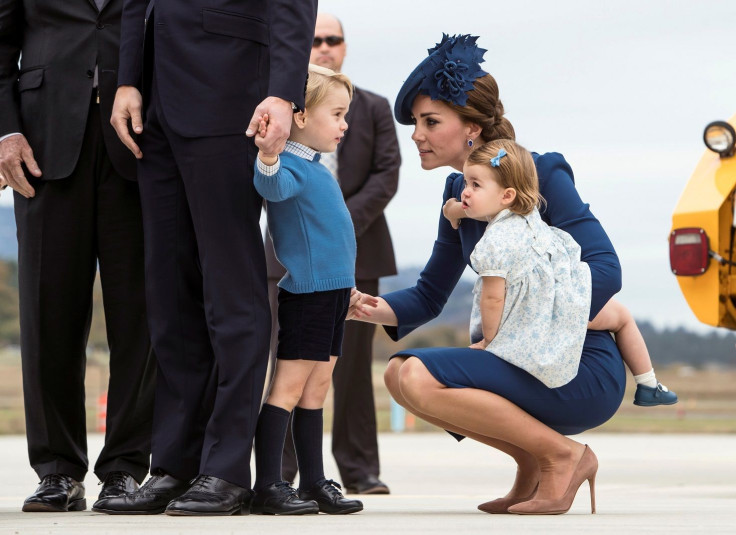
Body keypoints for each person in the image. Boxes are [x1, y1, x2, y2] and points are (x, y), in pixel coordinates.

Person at [349, 33, 627, 515]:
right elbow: (431, 293)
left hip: (575, 367)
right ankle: (533, 462)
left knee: (415, 374)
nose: (416, 134)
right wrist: (371, 308)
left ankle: (563, 456)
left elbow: (606, 267)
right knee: (399, 377)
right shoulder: (459, 196)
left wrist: (535, 324)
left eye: (430, 121)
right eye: (416, 122)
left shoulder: (536, 175)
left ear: (472, 127)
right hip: (519, 360)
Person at [94, 0, 317, 516]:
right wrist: (128, 79)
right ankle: (174, 462)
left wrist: (283, 92)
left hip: (230, 92)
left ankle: (227, 468)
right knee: (168, 292)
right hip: (155, 103)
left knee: (230, 290)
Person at [0, 0, 155, 513]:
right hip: (41, 144)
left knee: (140, 316)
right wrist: (4, 130)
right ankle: (57, 470)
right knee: (47, 312)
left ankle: (125, 469)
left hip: (138, 143)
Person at [265, 12, 400, 495]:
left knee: (345, 374)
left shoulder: (373, 107)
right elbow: (272, 179)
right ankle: (279, 475)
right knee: (289, 373)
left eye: (333, 39)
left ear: (344, 45)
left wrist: (338, 216)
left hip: (353, 262)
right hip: (295, 266)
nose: (323, 45)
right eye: (314, 38)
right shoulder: (286, 119)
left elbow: (387, 175)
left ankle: (356, 469)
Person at [445, 139, 678, 403]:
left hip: (526, 312)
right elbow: (475, 209)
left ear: (506, 196)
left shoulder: (494, 241)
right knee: (622, 316)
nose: (465, 192)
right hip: (556, 300)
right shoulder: (526, 213)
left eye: (475, 185)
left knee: (617, 317)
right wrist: (454, 209)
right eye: (466, 183)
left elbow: (493, 298)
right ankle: (648, 384)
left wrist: (489, 341)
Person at [250, 64, 366, 516]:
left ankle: (315, 482)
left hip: (334, 294)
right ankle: (269, 484)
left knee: (318, 389)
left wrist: (349, 290)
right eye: (336, 114)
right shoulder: (291, 166)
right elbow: (270, 185)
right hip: (308, 296)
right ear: (300, 116)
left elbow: (333, 239)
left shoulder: (317, 168)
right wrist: (268, 154)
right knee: (288, 387)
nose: (344, 124)